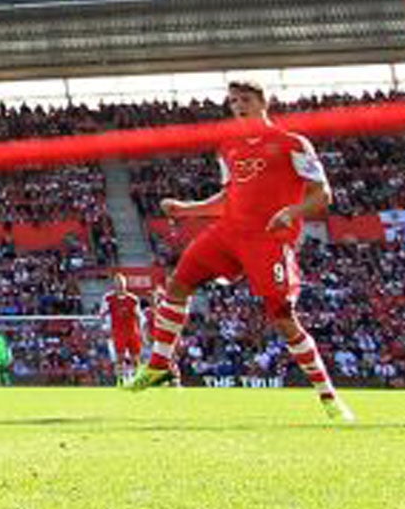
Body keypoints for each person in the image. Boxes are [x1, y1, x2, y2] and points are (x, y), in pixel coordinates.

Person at [123, 80, 353, 421]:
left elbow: (323, 197)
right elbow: (229, 198)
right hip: (228, 232)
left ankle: (329, 398)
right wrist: (188, 209)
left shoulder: (293, 144)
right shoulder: (228, 146)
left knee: (283, 318)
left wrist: (291, 212)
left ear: (264, 102)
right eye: (233, 101)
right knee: (177, 284)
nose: (239, 106)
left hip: (268, 239)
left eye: (245, 99)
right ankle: (159, 364)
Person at [103, 280, 144, 380]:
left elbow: (139, 316)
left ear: (125, 285)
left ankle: (136, 378)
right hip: (118, 332)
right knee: (120, 357)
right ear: (114, 286)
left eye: (122, 284)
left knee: (135, 358)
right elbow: (103, 314)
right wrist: (106, 327)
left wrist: (140, 331)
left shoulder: (133, 299)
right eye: (118, 284)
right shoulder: (108, 298)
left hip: (132, 331)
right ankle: (120, 379)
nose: (120, 287)